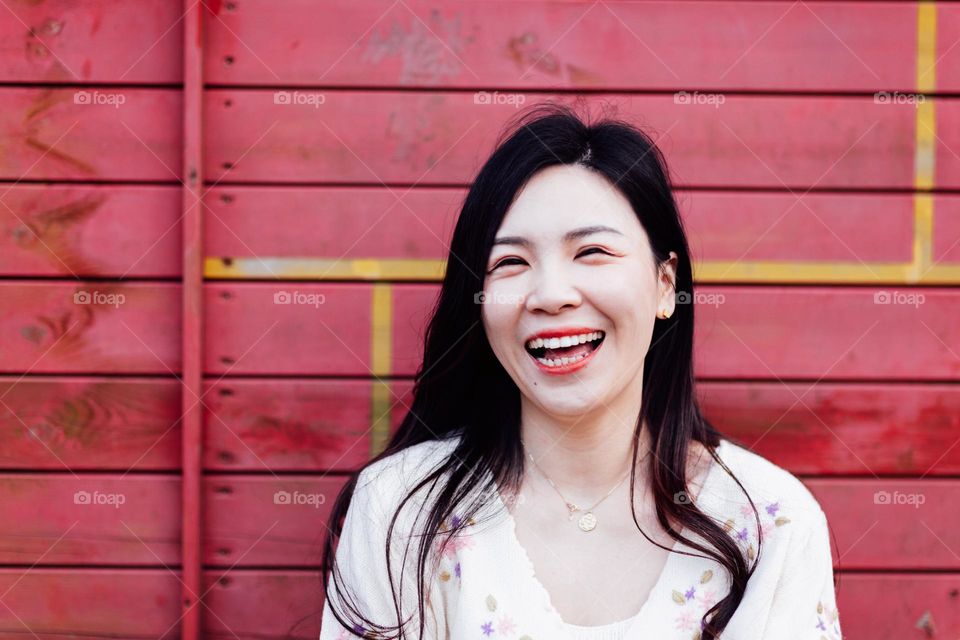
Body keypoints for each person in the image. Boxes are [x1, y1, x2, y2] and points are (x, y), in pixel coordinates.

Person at [319, 104, 842, 640]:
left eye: (591, 252)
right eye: (511, 263)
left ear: (666, 285)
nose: (550, 295)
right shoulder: (400, 512)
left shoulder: (769, 522)